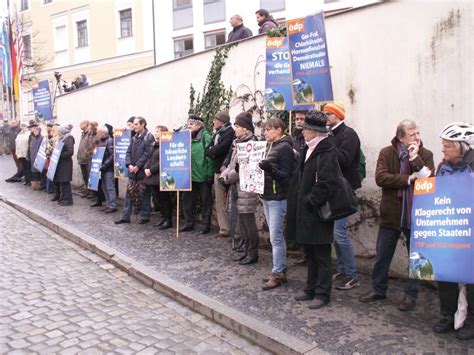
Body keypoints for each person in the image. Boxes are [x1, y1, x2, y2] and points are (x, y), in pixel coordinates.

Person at [359, 120, 434, 311]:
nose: (417, 137)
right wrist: (408, 179)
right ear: (401, 137)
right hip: (391, 213)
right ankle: (378, 289)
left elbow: (429, 181)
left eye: (418, 133)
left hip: (416, 214)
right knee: (383, 254)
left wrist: (415, 158)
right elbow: (380, 177)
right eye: (412, 134)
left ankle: (411, 295)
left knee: (416, 258)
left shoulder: (426, 154)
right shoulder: (387, 152)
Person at [287, 111, 339, 309]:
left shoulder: (327, 151)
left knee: (322, 255)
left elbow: (327, 183)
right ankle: (310, 288)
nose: (303, 132)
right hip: (306, 212)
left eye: (306, 129)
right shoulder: (308, 149)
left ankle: (323, 293)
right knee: (310, 251)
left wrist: (310, 201)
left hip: (318, 212)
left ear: (315, 132)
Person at [432, 122, 474, 340]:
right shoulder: (442, 167)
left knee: (472, 277)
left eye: (447, 146)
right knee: (445, 274)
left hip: (471, 231)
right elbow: (436, 193)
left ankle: (471, 322)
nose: (443, 150)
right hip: (448, 229)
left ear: (462, 147)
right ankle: (447, 315)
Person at [323, 102, 362, 290]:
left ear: (337, 116)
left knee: (339, 233)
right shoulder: (331, 135)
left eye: (328, 114)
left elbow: (345, 159)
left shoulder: (349, 134)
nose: (325, 117)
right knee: (334, 233)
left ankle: (353, 275)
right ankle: (342, 267)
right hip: (333, 189)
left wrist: (327, 142)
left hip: (344, 190)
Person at [258, 118, 295, 290]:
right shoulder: (269, 146)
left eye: (268, 130)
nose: (265, 133)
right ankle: (279, 269)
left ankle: (278, 272)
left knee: (276, 237)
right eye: (264, 130)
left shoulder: (285, 148)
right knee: (275, 236)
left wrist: (270, 169)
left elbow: (286, 176)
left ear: (279, 130)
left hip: (277, 197)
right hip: (266, 195)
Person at [220, 112, 259, 264]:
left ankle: (253, 252)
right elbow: (232, 165)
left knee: (248, 222)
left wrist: (227, 178)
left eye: (237, 126)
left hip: (246, 189)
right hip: (237, 187)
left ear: (245, 129)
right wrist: (224, 175)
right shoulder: (238, 142)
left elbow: (243, 169)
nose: (234, 129)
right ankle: (246, 248)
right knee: (242, 221)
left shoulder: (251, 144)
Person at [115, 117, 154, 224]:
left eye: (136, 124)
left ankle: (145, 216)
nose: (134, 126)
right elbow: (128, 152)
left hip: (142, 171)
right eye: (134, 124)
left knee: (144, 194)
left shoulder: (148, 136)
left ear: (143, 124)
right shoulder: (134, 137)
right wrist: (129, 165)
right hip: (132, 171)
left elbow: (147, 154)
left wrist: (138, 166)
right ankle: (125, 217)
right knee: (129, 194)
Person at [181, 115, 214, 234]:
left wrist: (209, 173)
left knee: (206, 201)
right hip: (189, 175)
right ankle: (189, 222)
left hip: (203, 175)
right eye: (188, 124)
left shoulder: (206, 137)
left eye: (192, 124)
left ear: (199, 125)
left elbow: (210, 156)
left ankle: (206, 225)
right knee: (187, 200)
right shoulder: (186, 137)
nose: (189, 126)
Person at [205, 111, 235, 237]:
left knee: (224, 201)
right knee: (219, 201)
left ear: (221, 121)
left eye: (215, 120)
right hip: (217, 169)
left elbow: (222, 148)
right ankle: (224, 228)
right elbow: (208, 149)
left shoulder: (229, 132)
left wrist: (213, 151)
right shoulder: (217, 133)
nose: (213, 122)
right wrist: (212, 151)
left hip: (224, 171)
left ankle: (226, 229)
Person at [144, 125, 173, 230]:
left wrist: (151, 170)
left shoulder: (165, 146)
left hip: (160, 176)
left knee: (165, 199)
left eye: (158, 131)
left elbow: (162, 161)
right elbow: (149, 158)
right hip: (152, 177)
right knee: (158, 199)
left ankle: (168, 219)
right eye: (155, 131)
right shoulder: (154, 145)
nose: (155, 133)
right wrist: (146, 168)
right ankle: (162, 217)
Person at [95, 125, 117, 213]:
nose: (97, 134)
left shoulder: (110, 141)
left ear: (103, 132)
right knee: (104, 187)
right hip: (102, 168)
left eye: (98, 132)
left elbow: (112, 155)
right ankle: (108, 204)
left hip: (108, 169)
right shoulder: (100, 141)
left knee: (110, 187)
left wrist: (104, 165)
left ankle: (112, 205)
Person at [53, 124, 75, 206]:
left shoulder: (69, 138)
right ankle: (64, 197)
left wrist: (59, 155)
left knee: (65, 181)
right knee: (62, 181)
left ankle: (68, 199)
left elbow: (70, 152)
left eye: (59, 131)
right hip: (61, 163)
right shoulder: (62, 138)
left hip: (66, 163)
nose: (58, 133)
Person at [77, 120, 91, 194]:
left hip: (87, 159)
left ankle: (91, 191)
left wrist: (87, 153)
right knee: (85, 176)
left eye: (81, 123)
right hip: (82, 158)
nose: (80, 125)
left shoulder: (89, 133)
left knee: (89, 176)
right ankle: (87, 189)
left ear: (86, 124)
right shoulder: (83, 134)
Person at [29, 125, 44, 191]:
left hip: (39, 158)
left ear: (39, 131)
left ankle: (41, 185)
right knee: (34, 172)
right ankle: (35, 185)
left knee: (40, 172)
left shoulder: (42, 138)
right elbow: (31, 148)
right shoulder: (33, 138)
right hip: (33, 158)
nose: (34, 132)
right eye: (34, 131)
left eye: (36, 131)